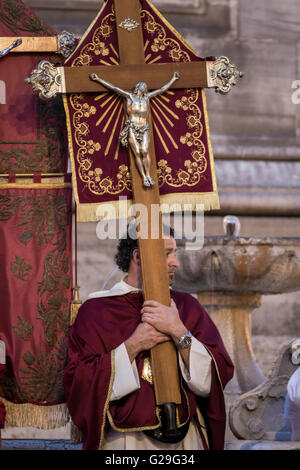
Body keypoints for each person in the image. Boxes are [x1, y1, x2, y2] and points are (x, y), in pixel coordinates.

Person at [63, 225, 234, 450]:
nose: (176, 262)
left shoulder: (186, 306)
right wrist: (134, 344)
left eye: (175, 253)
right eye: (167, 253)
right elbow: (79, 382)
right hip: (125, 442)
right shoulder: (97, 311)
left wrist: (178, 331)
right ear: (138, 256)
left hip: (185, 442)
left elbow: (215, 376)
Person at [89, 71, 180, 187]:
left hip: (144, 127)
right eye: (140, 86)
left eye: (143, 86)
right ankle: (143, 177)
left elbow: (162, 90)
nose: (142, 87)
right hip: (132, 127)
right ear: (137, 88)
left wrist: (173, 79)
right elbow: (114, 88)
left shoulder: (147, 97)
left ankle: (148, 175)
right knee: (137, 152)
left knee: (145, 151)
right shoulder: (130, 97)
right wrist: (98, 79)